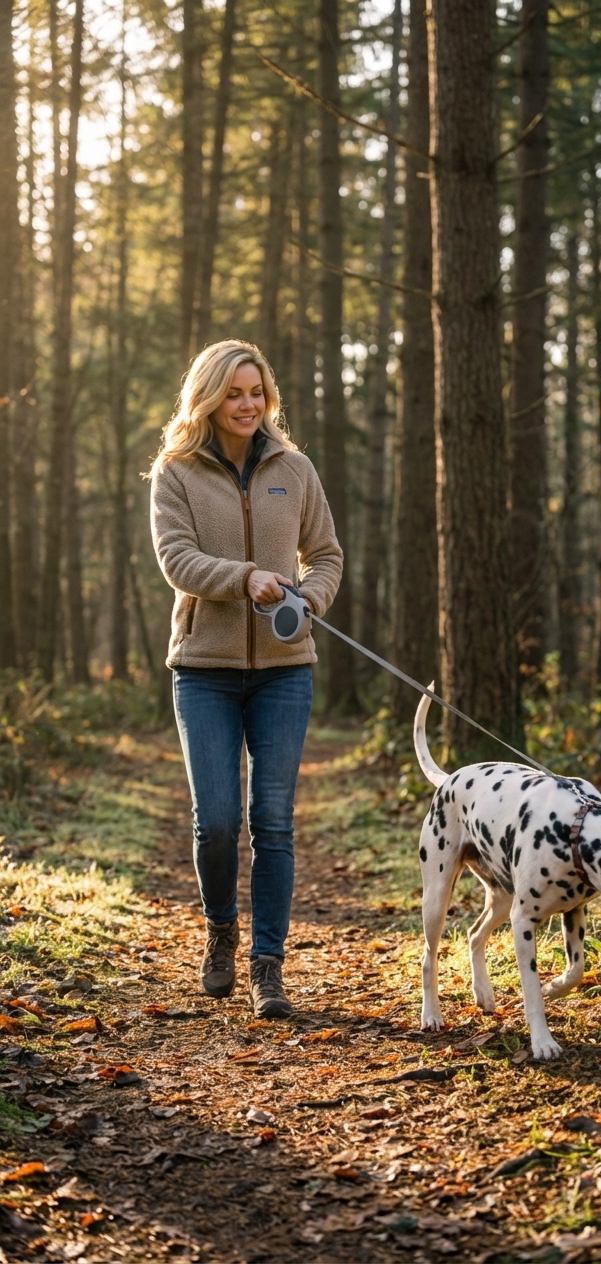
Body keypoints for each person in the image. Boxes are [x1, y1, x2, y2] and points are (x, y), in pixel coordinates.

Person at [149, 340, 342, 1018]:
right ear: (208, 398)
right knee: (217, 822)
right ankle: (219, 933)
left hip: (284, 674)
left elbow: (324, 556)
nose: (248, 404)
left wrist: (306, 600)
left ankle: (268, 966)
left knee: (274, 822)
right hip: (203, 669)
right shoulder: (175, 472)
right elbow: (176, 560)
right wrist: (246, 579)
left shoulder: (294, 468)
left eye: (256, 392)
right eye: (234, 393)